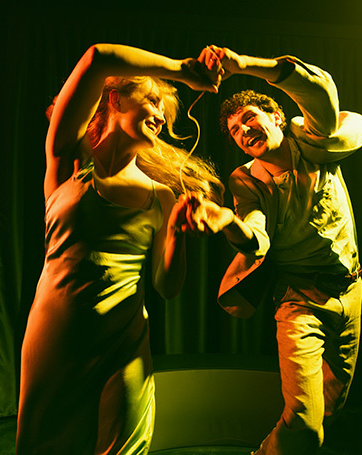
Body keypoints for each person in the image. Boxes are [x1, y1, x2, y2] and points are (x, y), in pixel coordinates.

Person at [15, 43, 223, 454]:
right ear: (114, 99)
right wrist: (183, 71)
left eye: (164, 111)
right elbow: (97, 58)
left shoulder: (160, 195)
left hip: (125, 344)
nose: (161, 117)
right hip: (56, 337)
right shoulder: (70, 159)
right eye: (151, 101)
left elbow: (167, 286)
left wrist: (178, 235)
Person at [188, 45, 362, 454]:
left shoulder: (314, 142)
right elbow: (258, 235)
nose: (243, 131)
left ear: (276, 118)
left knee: (327, 411)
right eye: (234, 131)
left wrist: (244, 66)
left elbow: (321, 92)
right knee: (305, 425)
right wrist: (229, 225)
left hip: (351, 292)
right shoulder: (245, 180)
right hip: (299, 300)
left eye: (248, 119)